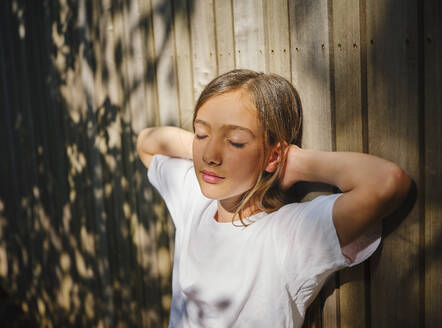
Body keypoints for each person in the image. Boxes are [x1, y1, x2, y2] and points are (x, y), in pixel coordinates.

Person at [136, 69, 411, 327]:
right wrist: (203, 147)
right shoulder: (195, 199)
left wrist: (294, 162)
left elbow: (387, 182)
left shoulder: (288, 235)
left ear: (273, 155)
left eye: (235, 141)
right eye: (201, 133)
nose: (212, 156)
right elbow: (147, 143)